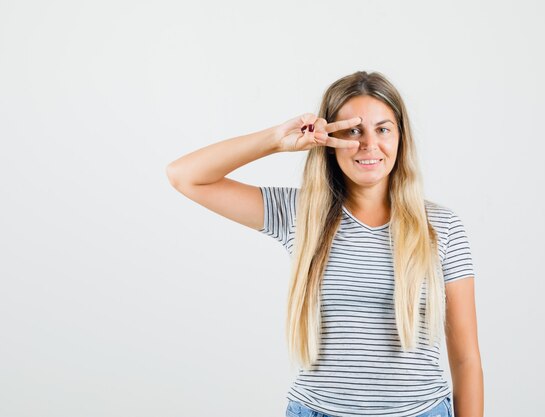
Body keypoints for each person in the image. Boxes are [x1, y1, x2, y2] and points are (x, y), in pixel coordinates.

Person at [166, 71, 483, 417]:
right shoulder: (300, 213)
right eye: (353, 130)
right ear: (329, 138)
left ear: (401, 138)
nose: (369, 145)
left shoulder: (441, 226)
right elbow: (185, 176)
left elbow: (466, 358)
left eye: (382, 129)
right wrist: (276, 140)